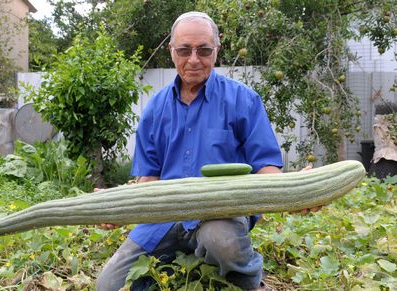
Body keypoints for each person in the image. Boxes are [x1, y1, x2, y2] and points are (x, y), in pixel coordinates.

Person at [96, 11, 317, 291]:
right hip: (165, 216)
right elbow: (148, 181)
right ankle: (180, 265)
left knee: (220, 240)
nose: (194, 59)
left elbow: (266, 167)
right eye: (184, 50)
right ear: (171, 51)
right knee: (108, 285)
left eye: (204, 50)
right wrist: (117, 208)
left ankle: (250, 282)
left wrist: (296, 190)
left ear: (217, 50)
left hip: (220, 214)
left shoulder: (243, 100)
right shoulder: (155, 108)